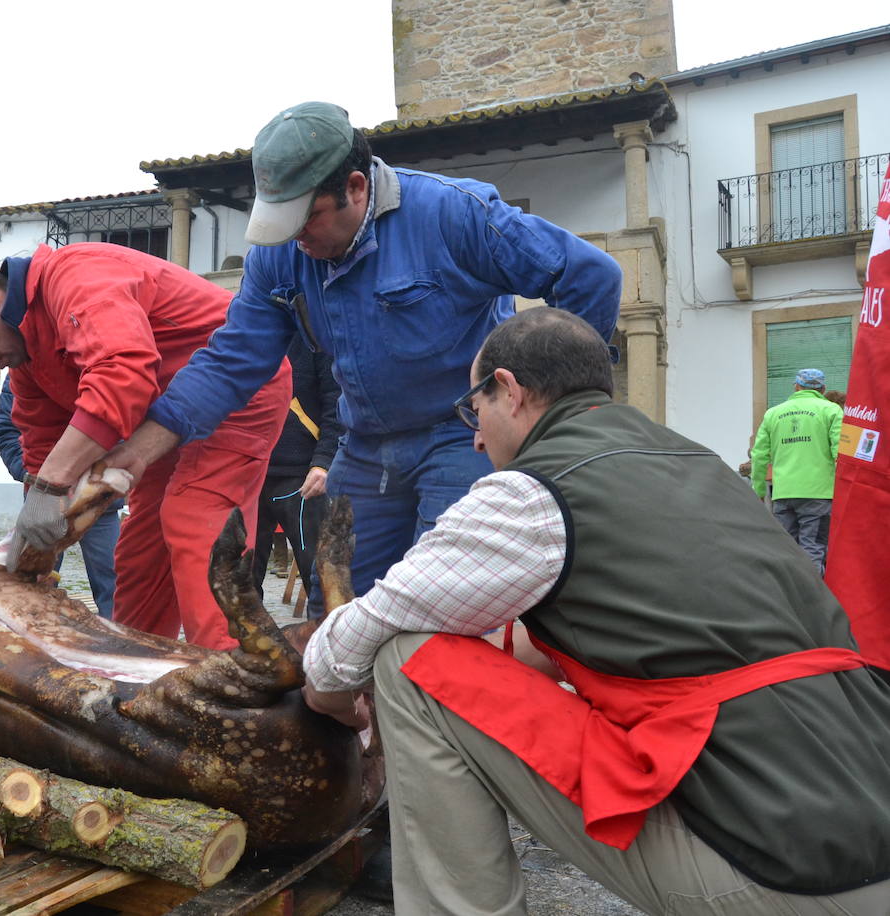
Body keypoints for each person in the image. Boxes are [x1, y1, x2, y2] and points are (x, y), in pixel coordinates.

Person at [301, 308, 890, 915]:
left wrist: (330, 697)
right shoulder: (699, 466)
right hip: (866, 810)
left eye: (472, 411)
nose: (475, 437)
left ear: (508, 390)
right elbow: (620, 632)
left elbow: (348, 645)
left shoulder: (534, 490)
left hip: (786, 867)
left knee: (408, 660)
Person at [106, 101, 621, 603]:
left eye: (306, 221)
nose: (296, 240)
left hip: (461, 437)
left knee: (442, 603)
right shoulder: (279, 256)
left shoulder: (453, 212)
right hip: (364, 444)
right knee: (335, 609)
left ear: (355, 187)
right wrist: (136, 454)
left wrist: (545, 414)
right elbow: (229, 362)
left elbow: (589, 277)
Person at [0, 244, 289, 650]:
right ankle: (132, 672)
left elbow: (122, 371)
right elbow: (43, 445)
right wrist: (36, 543)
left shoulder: (77, 277)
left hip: (234, 392)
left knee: (193, 517)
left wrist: (51, 486)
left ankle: (236, 680)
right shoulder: (28, 360)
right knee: (140, 555)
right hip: (159, 424)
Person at [0, 374, 121, 618]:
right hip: (43, 501)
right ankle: (37, 643)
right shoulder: (21, 373)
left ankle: (121, 645)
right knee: (30, 582)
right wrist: (35, 476)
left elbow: (117, 416)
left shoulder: (96, 366)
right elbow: (6, 431)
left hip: (98, 499)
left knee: (116, 583)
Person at [251, 334, 342, 618]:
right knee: (241, 578)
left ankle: (327, 652)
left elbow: (336, 403)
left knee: (319, 576)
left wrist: (324, 462)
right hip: (247, 473)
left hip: (303, 477)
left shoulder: (313, 336)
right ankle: (242, 652)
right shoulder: (243, 333)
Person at [749, 367, 843, 573]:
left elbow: (759, 455)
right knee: (813, 550)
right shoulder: (832, 410)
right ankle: (813, 602)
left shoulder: (773, 413)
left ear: (796, 386)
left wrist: (758, 490)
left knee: (787, 551)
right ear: (822, 388)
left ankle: (789, 601)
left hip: (783, 494)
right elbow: (841, 454)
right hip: (819, 494)